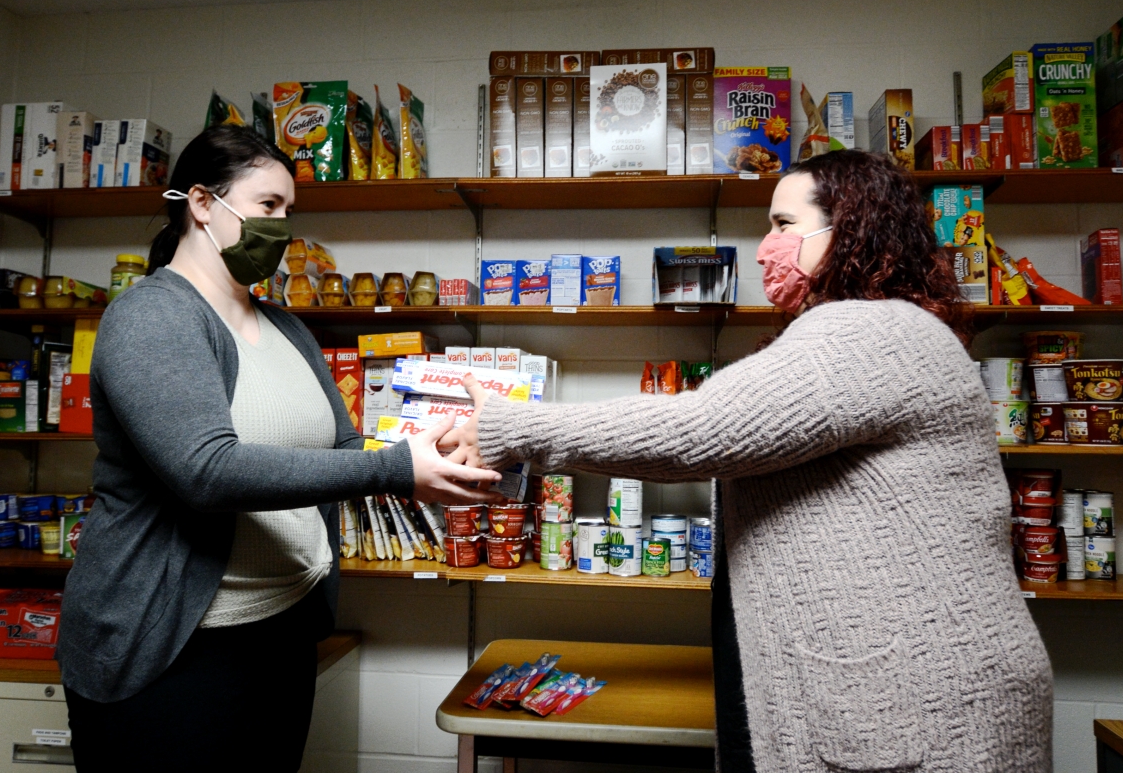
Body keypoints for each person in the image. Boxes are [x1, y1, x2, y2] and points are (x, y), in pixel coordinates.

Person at [446, 150, 1053, 772]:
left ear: (851, 227)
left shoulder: (873, 333)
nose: (765, 249)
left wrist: (512, 427)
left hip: (916, 707)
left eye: (783, 225)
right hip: (899, 694)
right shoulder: (891, 327)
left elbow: (702, 429)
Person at [57, 125, 502, 772]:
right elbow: (206, 470)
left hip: (281, 632)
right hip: (175, 644)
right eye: (268, 206)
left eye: (289, 211)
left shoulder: (285, 326)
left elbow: (344, 444)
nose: (283, 227)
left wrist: (434, 445)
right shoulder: (153, 316)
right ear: (203, 203)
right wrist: (395, 469)